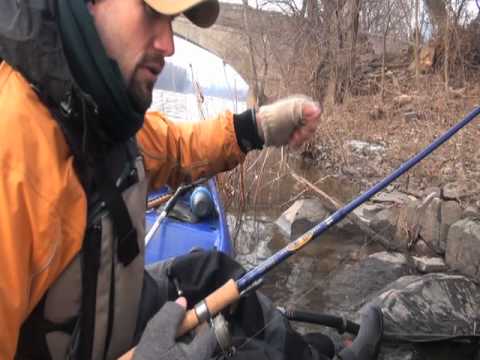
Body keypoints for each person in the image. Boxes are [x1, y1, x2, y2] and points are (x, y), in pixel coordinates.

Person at [0, 0, 326, 359]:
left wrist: (255, 127)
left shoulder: (92, 108)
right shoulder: (12, 152)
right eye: (153, 14)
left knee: (212, 273)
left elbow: (173, 147)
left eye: (171, 21)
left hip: (104, 312)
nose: (169, 45)